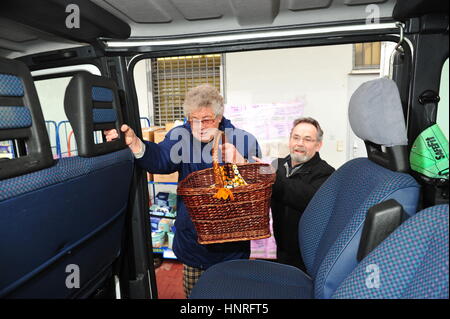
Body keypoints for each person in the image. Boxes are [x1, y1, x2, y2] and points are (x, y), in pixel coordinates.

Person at [105, 84, 261, 297]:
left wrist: (241, 163)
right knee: (195, 298)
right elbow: (160, 158)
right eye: (192, 119)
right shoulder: (181, 136)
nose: (199, 126)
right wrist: (135, 145)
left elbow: (258, 190)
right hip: (193, 245)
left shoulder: (242, 140)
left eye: (205, 119)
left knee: (232, 298)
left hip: (231, 249)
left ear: (219, 116)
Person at [266, 117, 334, 272]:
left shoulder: (327, 174)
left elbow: (304, 197)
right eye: (296, 137)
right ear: (290, 140)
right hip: (281, 248)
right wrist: (241, 163)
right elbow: (257, 180)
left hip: (308, 256)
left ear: (318, 145)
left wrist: (272, 178)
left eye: (307, 139)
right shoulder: (276, 164)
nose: (300, 143)